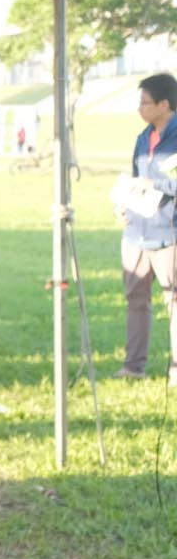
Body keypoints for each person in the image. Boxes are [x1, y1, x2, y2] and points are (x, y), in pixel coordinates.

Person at [117, 72, 176, 381]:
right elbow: (132, 178)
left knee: (174, 301)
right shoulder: (143, 137)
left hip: (169, 233)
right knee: (136, 302)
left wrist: (159, 183)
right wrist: (122, 206)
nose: (140, 108)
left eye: (145, 102)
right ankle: (133, 366)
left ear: (164, 104)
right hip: (136, 233)